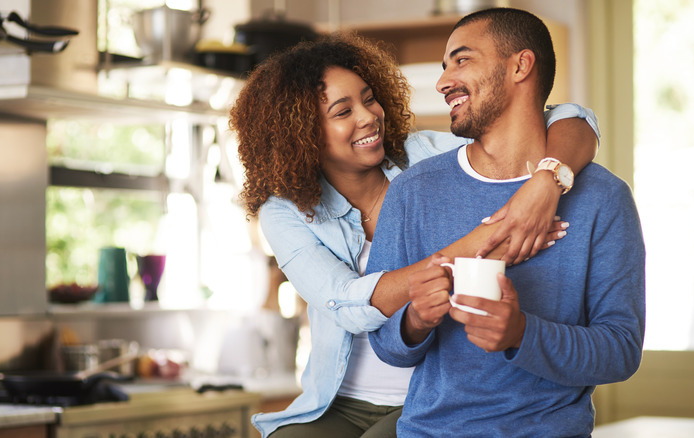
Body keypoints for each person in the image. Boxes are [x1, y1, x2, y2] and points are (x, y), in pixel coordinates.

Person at [229, 31, 600, 438]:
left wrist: (545, 183)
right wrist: (490, 239)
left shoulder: (424, 155)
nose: (368, 116)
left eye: (369, 98)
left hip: (429, 397)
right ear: (301, 133)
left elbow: (572, 118)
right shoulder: (284, 212)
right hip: (337, 402)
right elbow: (349, 304)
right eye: (342, 111)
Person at [366, 8, 645, 437]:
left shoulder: (604, 198)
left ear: (520, 65)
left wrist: (521, 332)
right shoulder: (413, 192)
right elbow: (386, 343)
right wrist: (415, 320)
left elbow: (621, 352)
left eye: (461, 60)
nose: (442, 82)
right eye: (444, 67)